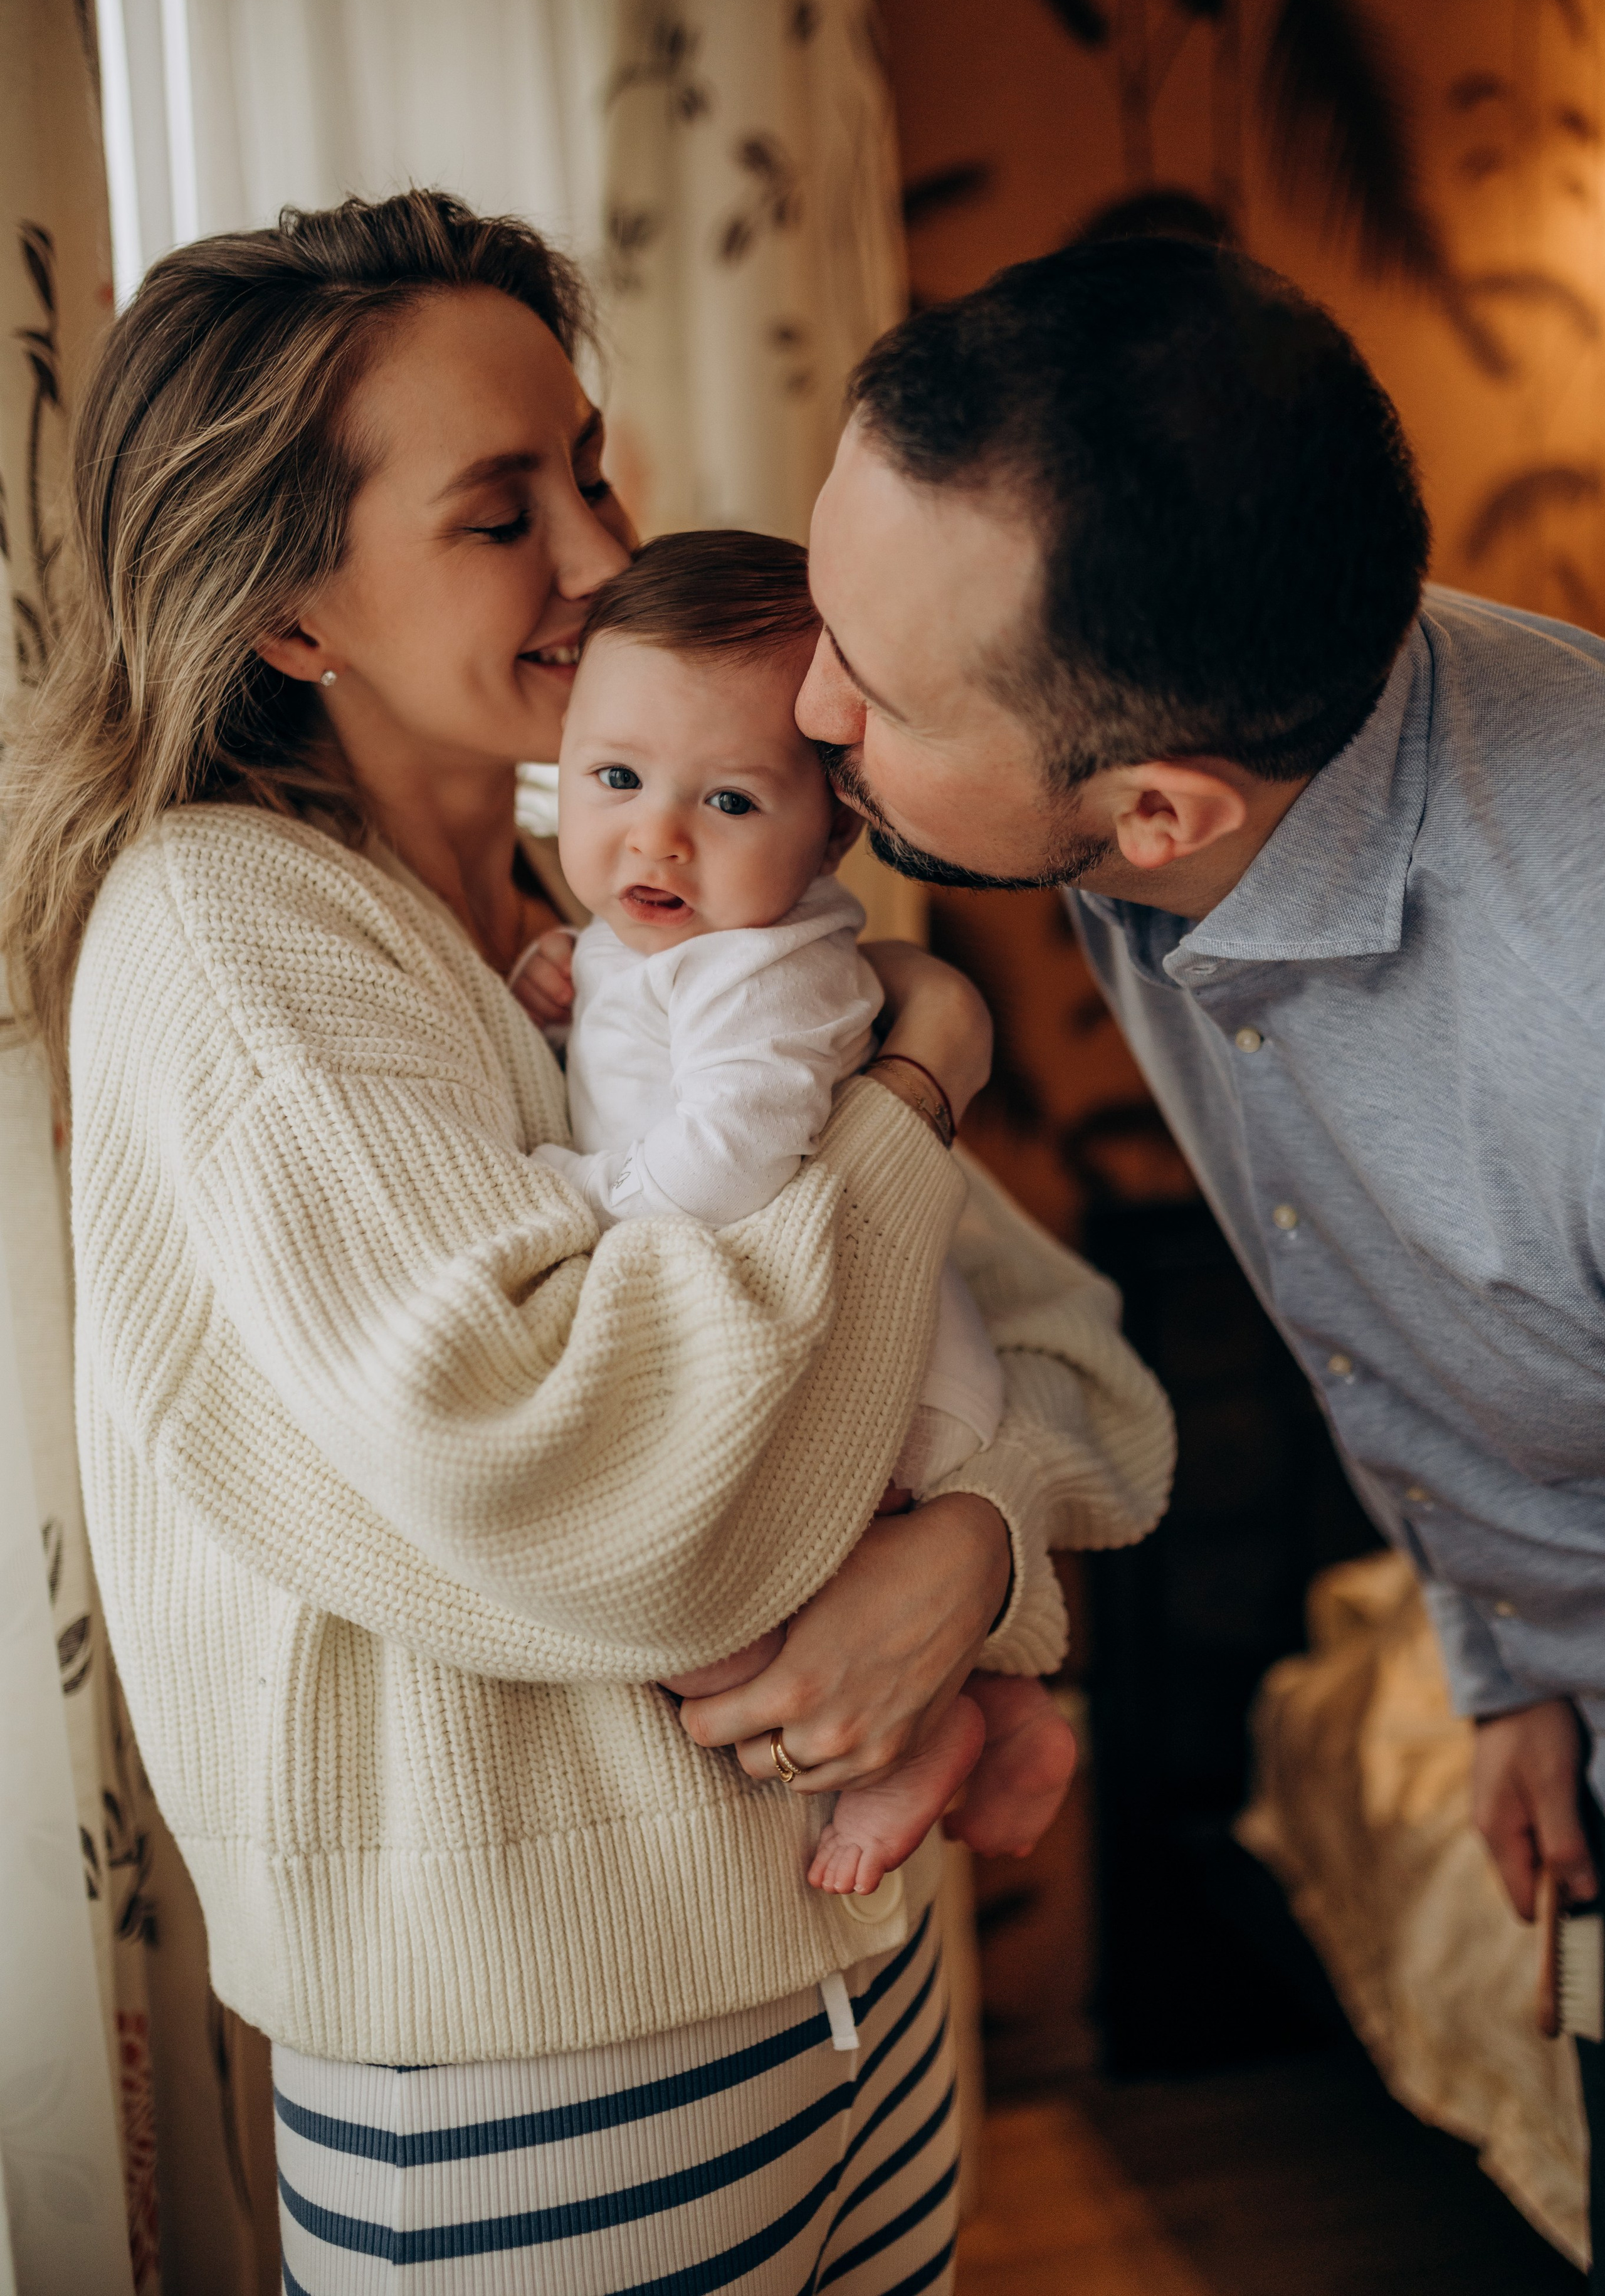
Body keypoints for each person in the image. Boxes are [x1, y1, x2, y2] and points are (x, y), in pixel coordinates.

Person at [0, 189, 1173, 2295]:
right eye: (495, 509)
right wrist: (911, 1090)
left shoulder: (626, 928)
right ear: (294, 613)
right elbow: (587, 1478)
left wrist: (971, 1553)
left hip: (860, 1997)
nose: (596, 550)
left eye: (590, 466)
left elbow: (1073, 1349)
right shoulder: (229, 931)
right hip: (538, 2080)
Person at [795, 231, 1605, 2287]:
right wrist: (1513, 1655)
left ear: (1158, 807)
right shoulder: (1207, 736)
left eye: (871, 692)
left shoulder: (1578, 987)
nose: (813, 709)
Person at [514, 525, 1081, 1902]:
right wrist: (573, 976)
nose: (654, 833)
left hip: (869, 1384)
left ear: (830, 828)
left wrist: (577, 1199)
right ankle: (995, 1715)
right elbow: (640, 1019)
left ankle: (938, 1727)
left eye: (728, 804)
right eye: (616, 779)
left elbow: (730, 1157)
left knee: (690, 1622)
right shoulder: (652, 937)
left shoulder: (783, 974)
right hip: (834, 1365)